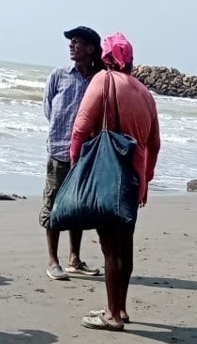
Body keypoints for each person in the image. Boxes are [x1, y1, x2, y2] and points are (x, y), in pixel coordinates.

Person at [72, 32, 161, 330]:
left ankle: (111, 316)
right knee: (125, 245)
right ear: (132, 61)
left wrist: (76, 169)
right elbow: (154, 143)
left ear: (105, 58)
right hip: (134, 178)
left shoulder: (103, 80)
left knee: (110, 248)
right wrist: (146, 179)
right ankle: (120, 309)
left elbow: (80, 129)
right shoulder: (145, 93)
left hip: (108, 174)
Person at [40, 26, 105, 281]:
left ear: (90, 49)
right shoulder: (59, 76)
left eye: (76, 42)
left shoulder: (99, 79)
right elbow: (49, 109)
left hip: (86, 154)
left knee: (76, 206)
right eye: (71, 42)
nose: (71, 46)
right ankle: (52, 260)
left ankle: (74, 259)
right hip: (59, 150)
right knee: (53, 204)